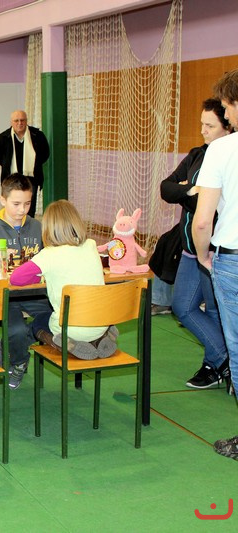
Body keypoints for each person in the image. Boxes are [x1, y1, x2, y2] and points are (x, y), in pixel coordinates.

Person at [161, 98, 232, 389]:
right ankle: (225, 360)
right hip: (191, 250)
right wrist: (191, 191)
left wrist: (187, 193)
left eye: (210, 125)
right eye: (202, 124)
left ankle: (213, 366)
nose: (203, 130)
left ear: (227, 126)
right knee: (183, 306)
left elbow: (210, 211)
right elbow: (167, 188)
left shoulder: (226, 156)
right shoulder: (196, 155)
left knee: (216, 312)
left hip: (213, 252)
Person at [192, 68, 238, 461]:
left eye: (226, 106)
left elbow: (202, 220)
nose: (226, 114)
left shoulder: (223, 150)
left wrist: (204, 254)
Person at [10, 200, 118, 360]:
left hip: (69, 328)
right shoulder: (91, 245)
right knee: (88, 322)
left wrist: (39, 275)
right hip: (100, 323)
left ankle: (64, 344)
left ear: (48, 229)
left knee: (40, 321)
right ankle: (100, 339)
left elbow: (16, 278)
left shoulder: (48, 254)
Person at [0, 173, 48, 389]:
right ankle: (19, 361)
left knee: (57, 320)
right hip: (3, 296)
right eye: (16, 204)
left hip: (35, 292)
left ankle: (8, 345)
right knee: (17, 330)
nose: (22, 210)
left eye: (27, 204)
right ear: (3, 200)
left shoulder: (37, 227)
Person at [0, 110, 50, 218]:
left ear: (26, 121)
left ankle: (28, 227)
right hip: (10, 178)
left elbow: (45, 154)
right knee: (12, 207)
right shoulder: (2, 138)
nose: (20, 123)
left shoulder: (37, 136)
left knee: (29, 209)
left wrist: (34, 164)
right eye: (16, 121)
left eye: (22, 120)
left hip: (31, 178)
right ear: (11, 122)